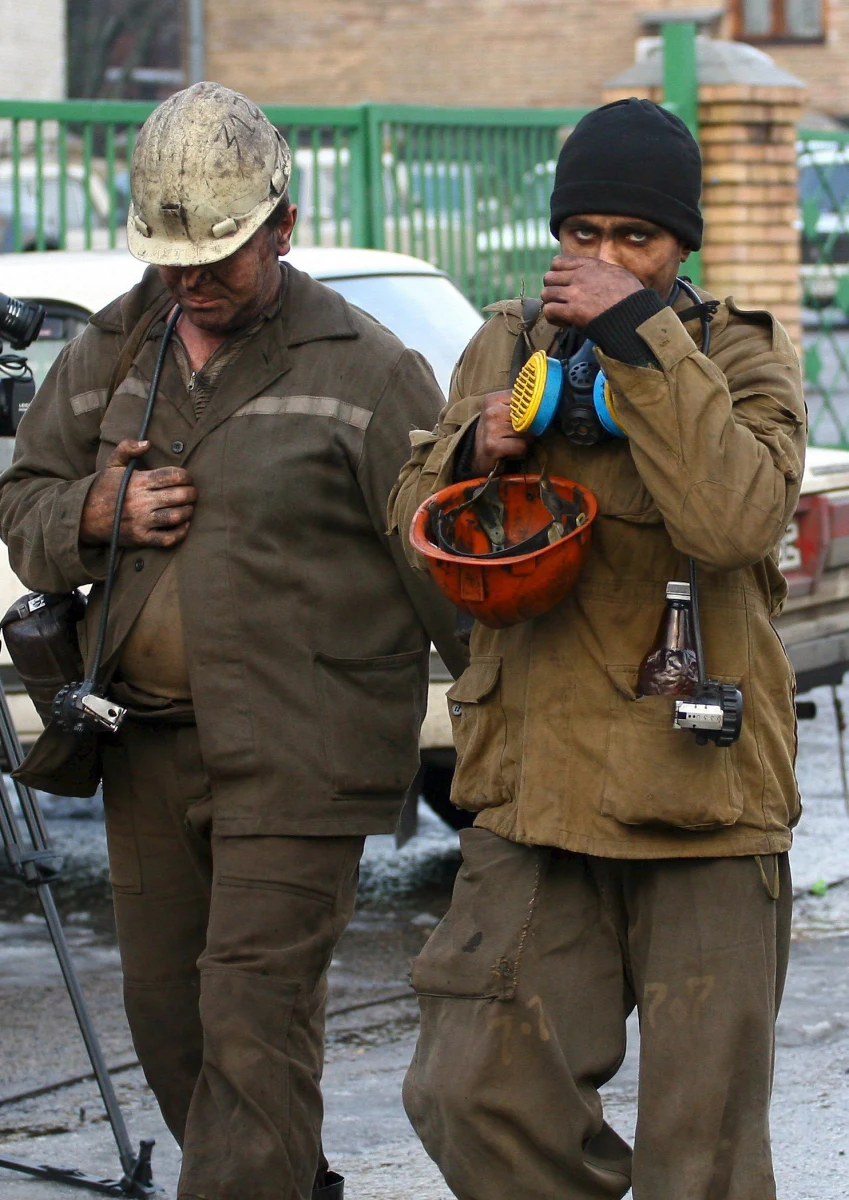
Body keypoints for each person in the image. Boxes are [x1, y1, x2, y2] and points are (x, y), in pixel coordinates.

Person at [0, 82, 466, 1200]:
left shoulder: (368, 367)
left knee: (253, 1023)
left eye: (217, 259)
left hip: (305, 754)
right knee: (173, 1027)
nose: (191, 283)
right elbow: (23, 506)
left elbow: (444, 568)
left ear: (281, 227)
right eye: (171, 261)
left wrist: (510, 748)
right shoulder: (117, 345)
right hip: (146, 747)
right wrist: (92, 514)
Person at [389, 98, 807, 1199]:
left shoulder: (739, 354)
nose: (607, 259)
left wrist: (640, 341)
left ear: (681, 248)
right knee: (467, 1089)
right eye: (584, 234)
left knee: (702, 1157)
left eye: (637, 238)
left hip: (701, 801)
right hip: (537, 794)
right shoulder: (509, 340)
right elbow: (412, 522)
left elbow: (734, 520)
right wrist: (472, 452)